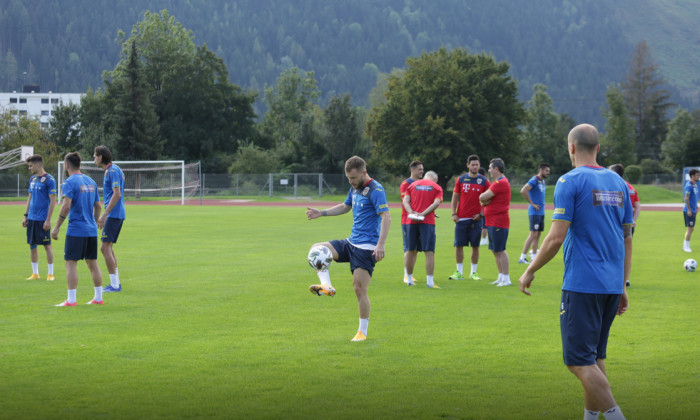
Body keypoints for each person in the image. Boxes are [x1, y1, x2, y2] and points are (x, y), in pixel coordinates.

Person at [519, 124, 632, 420]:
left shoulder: (569, 181)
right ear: (598, 147)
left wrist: (530, 270)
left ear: (571, 147)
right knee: (594, 358)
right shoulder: (618, 183)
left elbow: (555, 237)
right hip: (610, 285)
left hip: (583, 285)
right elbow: (627, 238)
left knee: (577, 363)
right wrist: (621, 284)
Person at [305, 156, 391, 342]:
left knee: (359, 289)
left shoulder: (376, 190)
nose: (350, 182)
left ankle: (362, 332)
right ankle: (326, 285)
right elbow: (346, 206)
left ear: (364, 173)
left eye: (353, 178)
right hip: (350, 243)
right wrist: (322, 213)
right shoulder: (355, 187)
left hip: (366, 248)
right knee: (317, 249)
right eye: (348, 178)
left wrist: (381, 244)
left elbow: (386, 217)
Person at [51, 152, 104, 306]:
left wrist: (56, 227)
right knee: (93, 263)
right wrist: (93, 222)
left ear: (67, 165)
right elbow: (98, 206)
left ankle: (71, 300)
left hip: (76, 230)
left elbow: (66, 206)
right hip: (91, 230)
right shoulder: (91, 181)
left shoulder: (69, 182)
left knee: (71, 263)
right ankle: (98, 298)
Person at [449, 155, 490, 281]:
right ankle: (459, 272)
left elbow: (489, 200)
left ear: (479, 165)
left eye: (477, 164)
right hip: (461, 218)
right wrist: (453, 213)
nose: (475, 167)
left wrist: (481, 214)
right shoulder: (461, 179)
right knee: (459, 245)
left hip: (476, 219)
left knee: (475, 246)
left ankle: (473, 273)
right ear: (468, 165)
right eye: (472, 164)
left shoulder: (484, 181)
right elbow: (455, 197)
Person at [403, 170, 443, 288]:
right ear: (435, 179)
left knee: (410, 250)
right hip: (427, 222)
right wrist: (423, 214)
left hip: (411, 221)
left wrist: (412, 213)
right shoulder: (436, 187)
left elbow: (405, 201)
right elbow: (436, 203)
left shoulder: (412, 185)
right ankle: (429, 282)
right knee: (429, 252)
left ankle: (409, 279)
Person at [94, 145, 125, 292]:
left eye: (95, 156)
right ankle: (115, 282)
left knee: (104, 248)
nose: (94, 159)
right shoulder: (112, 170)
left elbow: (117, 193)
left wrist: (105, 214)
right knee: (108, 248)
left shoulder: (112, 170)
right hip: (115, 214)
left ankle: (114, 285)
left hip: (113, 214)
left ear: (100, 157)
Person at [22, 154, 57, 281]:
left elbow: (53, 201)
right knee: (32, 245)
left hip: (43, 219)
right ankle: (35, 273)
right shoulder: (32, 179)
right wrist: (26, 216)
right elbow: (29, 198)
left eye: (31, 166)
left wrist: (48, 219)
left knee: (47, 245)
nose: (29, 168)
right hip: (32, 218)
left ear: (38, 165)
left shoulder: (49, 180)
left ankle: (50, 274)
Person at [479, 158, 512, 286]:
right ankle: (500, 276)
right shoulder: (497, 182)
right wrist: (485, 201)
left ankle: (506, 278)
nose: (489, 170)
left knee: (500, 250)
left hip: (499, 221)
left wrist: (484, 200)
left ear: (496, 169)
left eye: (490, 168)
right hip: (492, 221)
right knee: (494, 250)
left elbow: (482, 197)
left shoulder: (500, 183)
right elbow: (483, 199)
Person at [609, 164, 640, 287]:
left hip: (614, 224)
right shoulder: (631, 188)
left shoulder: (612, 186)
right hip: (628, 225)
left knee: (612, 251)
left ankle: (613, 278)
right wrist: (632, 219)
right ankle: (625, 279)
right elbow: (637, 205)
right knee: (627, 250)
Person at [518, 163, 551, 264]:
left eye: (549, 172)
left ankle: (533, 257)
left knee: (538, 234)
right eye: (546, 171)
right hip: (534, 212)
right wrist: (532, 204)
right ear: (541, 170)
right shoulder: (534, 180)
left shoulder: (542, 181)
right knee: (533, 234)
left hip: (540, 212)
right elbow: (523, 191)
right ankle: (522, 257)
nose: (548, 173)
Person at [400, 160, 424, 284]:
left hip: (419, 220)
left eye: (422, 169)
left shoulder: (421, 183)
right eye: (419, 169)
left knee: (415, 250)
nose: (422, 171)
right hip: (407, 221)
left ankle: (410, 274)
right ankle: (406, 275)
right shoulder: (406, 183)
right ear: (413, 170)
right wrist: (414, 213)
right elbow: (406, 202)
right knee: (409, 249)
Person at [683, 168, 699, 252]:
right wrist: (689, 209)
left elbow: (694, 198)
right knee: (690, 228)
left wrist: (696, 207)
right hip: (689, 210)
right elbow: (686, 198)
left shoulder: (695, 185)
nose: (699, 176)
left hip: (693, 210)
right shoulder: (689, 185)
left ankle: (685, 245)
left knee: (690, 228)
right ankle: (686, 247)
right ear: (692, 176)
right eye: (697, 175)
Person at [478, 167, 489, 246]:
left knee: (482, 225)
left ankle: (483, 239)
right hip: (484, 205)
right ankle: (484, 239)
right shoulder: (486, 181)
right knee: (484, 225)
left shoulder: (476, 181)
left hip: (478, 205)